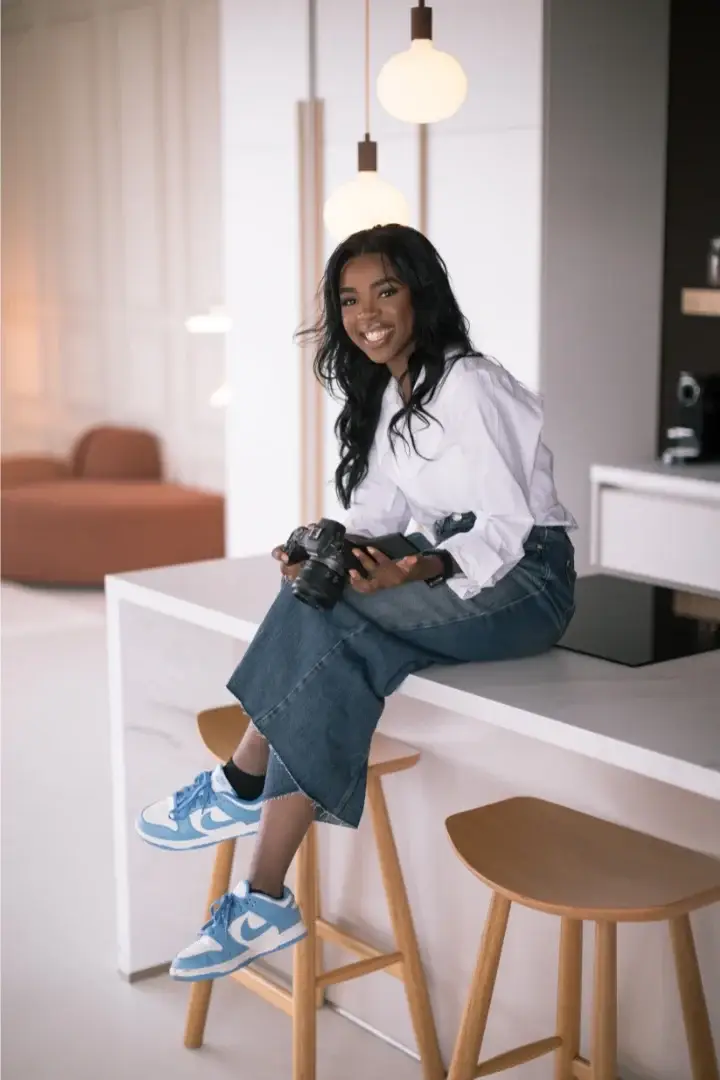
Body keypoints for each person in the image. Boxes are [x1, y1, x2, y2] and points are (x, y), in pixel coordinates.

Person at [137, 224, 577, 983]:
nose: (366, 313)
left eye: (385, 291)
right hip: (450, 557)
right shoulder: (390, 389)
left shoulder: (470, 383)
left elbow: (507, 525)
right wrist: (322, 548)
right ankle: (262, 897)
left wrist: (418, 569)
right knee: (325, 611)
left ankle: (243, 782)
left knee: (333, 620)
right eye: (349, 299)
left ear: (420, 295)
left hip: (527, 577)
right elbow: (377, 512)